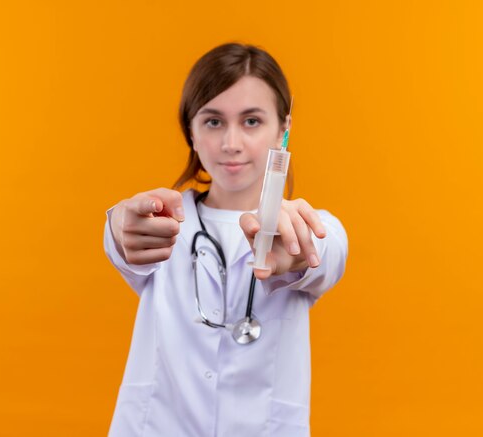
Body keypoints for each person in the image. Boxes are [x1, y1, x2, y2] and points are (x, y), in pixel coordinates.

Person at [103, 43, 348, 436]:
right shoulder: (163, 222)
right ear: (191, 132)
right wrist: (116, 224)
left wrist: (299, 254)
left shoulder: (312, 226)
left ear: (284, 131)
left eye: (252, 121)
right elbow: (123, 241)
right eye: (213, 122)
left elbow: (328, 250)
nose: (231, 143)